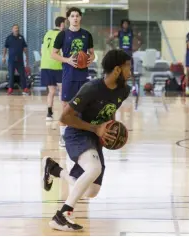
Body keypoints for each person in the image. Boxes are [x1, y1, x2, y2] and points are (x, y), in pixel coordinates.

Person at [42, 49, 132, 231]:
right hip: (77, 132)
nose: (130, 72)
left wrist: (109, 130)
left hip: (95, 135)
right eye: (128, 67)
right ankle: (62, 216)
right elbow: (65, 118)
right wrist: (95, 128)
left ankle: (54, 169)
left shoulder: (124, 90)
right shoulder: (91, 89)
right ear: (117, 70)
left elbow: (110, 110)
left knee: (91, 191)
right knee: (94, 168)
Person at [51, 7, 95, 147]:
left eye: (77, 16)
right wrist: (68, 60)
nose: (75, 18)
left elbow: (92, 53)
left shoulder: (87, 35)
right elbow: (54, 54)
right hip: (68, 74)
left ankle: (80, 134)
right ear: (68, 19)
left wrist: (91, 58)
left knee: (83, 106)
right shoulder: (62, 35)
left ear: (80, 18)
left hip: (83, 75)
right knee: (65, 105)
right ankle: (63, 135)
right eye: (72, 16)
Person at [107, 19, 142, 96]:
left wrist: (136, 48)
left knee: (131, 72)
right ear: (122, 25)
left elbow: (141, 40)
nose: (125, 25)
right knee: (119, 72)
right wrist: (115, 49)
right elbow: (108, 41)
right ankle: (118, 89)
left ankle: (133, 89)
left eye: (127, 24)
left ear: (128, 25)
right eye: (124, 24)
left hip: (129, 54)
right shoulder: (119, 33)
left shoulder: (131, 32)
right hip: (121, 55)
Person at [41, 16, 66, 121]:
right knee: (62, 90)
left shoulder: (47, 33)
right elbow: (63, 51)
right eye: (65, 23)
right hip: (57, 65)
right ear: (62, 24)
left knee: (51, 91)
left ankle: (49, 113)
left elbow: (42, 49)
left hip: (45, 65)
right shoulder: (61, 34)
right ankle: (64, 114)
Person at [3, 24, 30, 95]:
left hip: (20, 60)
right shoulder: (9, 38)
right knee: (11, 75)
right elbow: (5, 48)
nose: (16, 29)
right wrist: (3, 57)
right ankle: (10, 89)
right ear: (12, 30)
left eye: (17, 28)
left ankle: (25, 88)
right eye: (15, 28)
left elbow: (25, 48)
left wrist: (27, 58)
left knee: (23, 75)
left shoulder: (21, 37)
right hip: (11, 60)